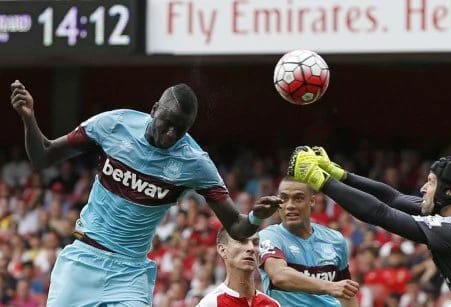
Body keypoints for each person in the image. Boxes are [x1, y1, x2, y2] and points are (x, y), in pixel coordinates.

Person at [10, 80, 282, 306]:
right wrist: (29, 118)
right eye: (168, 123)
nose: (172, 133)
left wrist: (256, 218)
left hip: (130, 274)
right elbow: (43, 157)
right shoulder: (113, 125)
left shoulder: (194, 162)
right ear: (154, 110)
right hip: (82, 261)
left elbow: (236, 226)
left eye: (181, 129)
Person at [288, 146, 451, 306]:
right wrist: (341, 175)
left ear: (449, 192)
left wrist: (322, 181)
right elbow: (393, 198)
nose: (423, 188)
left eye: (431, 182)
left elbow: (379, 213)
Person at [258, 176, 360, 307]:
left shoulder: (335, 239)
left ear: (312, 201)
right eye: (284, 199)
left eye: (298, 198)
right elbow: (279, 276)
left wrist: (336, 288)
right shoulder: (269, 236)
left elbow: (346, 292)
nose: (290, 206)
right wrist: (329, 286)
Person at [197, 228, 281, 306]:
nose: (251, 248)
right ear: (222, 250)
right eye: (241, 241)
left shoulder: (272, 304)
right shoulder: (211, 303)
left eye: (255, 243)